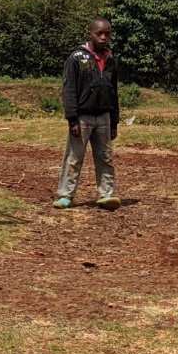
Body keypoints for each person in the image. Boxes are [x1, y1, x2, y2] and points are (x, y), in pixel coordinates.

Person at [53, 17, 121, 211]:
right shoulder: (76, 58)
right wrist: (72, 119)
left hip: (104, 117)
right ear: (90, 33)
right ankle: (66, 195)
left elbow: (114, 92)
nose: (103, 37)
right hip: (82, 117)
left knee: (105, 157)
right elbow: (69, 90)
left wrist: (114, 122)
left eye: (107, 33)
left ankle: (106, 195)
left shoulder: (111, 60)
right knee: (74, 157)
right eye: (99, 33)